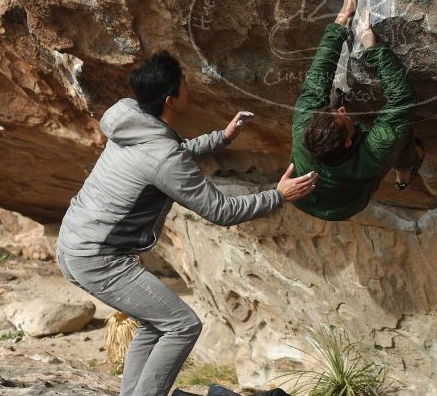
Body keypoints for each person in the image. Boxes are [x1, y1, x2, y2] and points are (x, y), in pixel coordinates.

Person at [55, 52, 317, 396]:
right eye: (184, 83)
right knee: (183, 325)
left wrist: (221, 138)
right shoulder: (161, 154)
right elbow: (220, 210)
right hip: (97, 258)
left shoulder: (131, 118)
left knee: (155, 322)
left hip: (74, 244)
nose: (188, 86)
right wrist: (278, 195)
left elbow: (170, 152)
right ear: (170, 99)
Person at [289, 0, 422, 222]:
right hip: (346, 204)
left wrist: (342, 18)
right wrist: (372, 46)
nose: (341, 109)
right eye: (342, 116)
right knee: (402, 133)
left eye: (333, 113)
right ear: (349, 141)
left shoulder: (302, 127)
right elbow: (402, 100)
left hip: (303, 198)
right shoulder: (373, 155)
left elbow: (319, 74)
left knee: (331, 93)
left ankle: (402, 170)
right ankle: (404, 173)